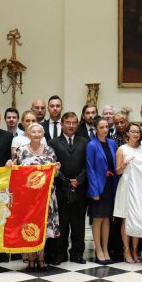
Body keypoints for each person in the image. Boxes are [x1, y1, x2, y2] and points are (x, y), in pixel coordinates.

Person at [15, 123, 61, 271]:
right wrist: (9, 164)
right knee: (28, 225)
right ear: (28, 133)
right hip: (27, 197)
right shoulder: (21, 151)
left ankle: (41, 257)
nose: (36, 134)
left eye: (39, 132)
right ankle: (30, 258)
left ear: (43, 134)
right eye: (33, 131)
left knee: (43, 226)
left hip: (45, 196)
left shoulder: (49, 150)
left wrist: (57, 170)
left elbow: (55, 174)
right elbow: (15, 172)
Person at [50, 112, 89, 264]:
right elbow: (52, 164)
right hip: (61, 188)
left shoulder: (85, 142)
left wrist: (79, 179)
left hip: (80, 188)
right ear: (62, 124)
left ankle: (77, 253)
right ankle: (60, 253)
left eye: (74, 122)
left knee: (78, 223)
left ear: (77, 124)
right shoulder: (53, 142)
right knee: (62, 223)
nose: (71, 125)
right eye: (68, 122)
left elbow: (88, 164)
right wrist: (65, 180)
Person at [86, 118, 117, 264]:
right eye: (101, 127)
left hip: (110, 185)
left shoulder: (112, 143)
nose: (105, 130)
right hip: (98, 186)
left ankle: (105, 249)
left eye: (106, 127)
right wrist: (94, 191)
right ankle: (98, 250)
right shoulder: (92, 145)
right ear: (95, 129)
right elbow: (90, 168)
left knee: (107, 218)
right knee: (98, 218)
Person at [115, 123, 142, 263]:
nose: (135, 134)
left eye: (137, 132)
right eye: (133, 131)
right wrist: (124, 164)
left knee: (136, 219)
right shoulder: (122, 149)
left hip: (139, 186)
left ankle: (135, 249)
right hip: (126, 184)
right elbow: (117, 171)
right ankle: (126, 249)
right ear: (127, 133)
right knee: (126, 219)